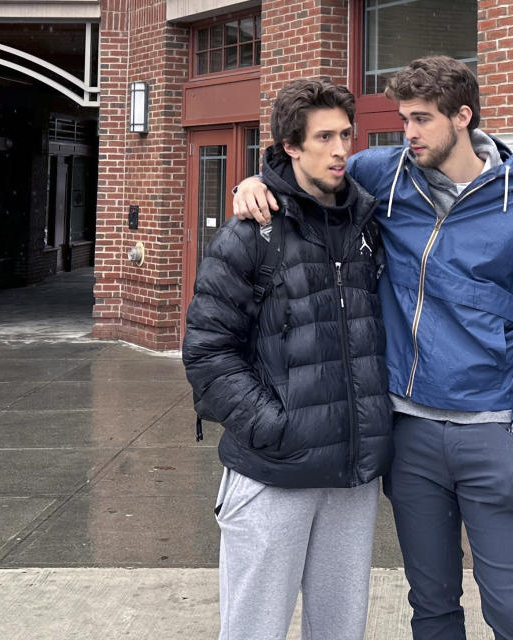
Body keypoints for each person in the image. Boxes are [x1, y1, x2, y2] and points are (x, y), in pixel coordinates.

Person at [233, 56, 513, 639]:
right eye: (403, 119)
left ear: (463, 117)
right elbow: (310, 171)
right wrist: (256, 183)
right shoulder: (383, 174)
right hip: (411, 433)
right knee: (432, 605)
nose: (408, 133)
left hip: (492, 432)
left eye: (421, 119)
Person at [182, 79, 392, 640]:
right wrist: (275, 426)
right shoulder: (251, 233)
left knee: (341, 631)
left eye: (346, 134)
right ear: (290, 146)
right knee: (254, 630)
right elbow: (207, 351)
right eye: (324, 137)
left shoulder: (368, 225)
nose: (340, 149)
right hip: (274, 471)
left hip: (352, 476)